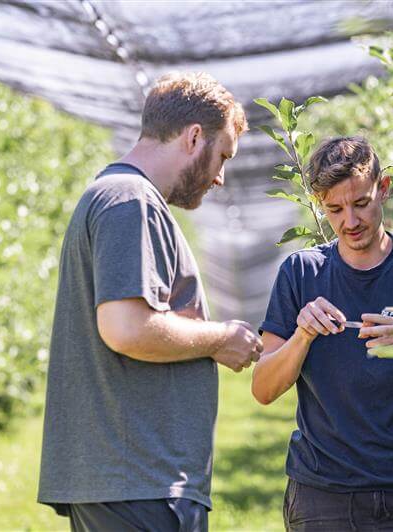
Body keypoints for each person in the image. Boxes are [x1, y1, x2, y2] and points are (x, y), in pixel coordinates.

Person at [37, 72, 263, 532]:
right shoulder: (129, 200)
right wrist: (220, 339)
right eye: (222, 156)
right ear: (194, 136)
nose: (220, 177)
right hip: (137, 483)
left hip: (133, 481)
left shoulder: (126, 198)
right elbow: (126, 327)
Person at [252, 136, 393, 531]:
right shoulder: (302, 273)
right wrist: (302, 336)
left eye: (360, 203)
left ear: (383, 189)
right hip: (324, 496)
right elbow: (264, 389)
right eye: (334, 209)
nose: (349, 222)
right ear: (320, 204)